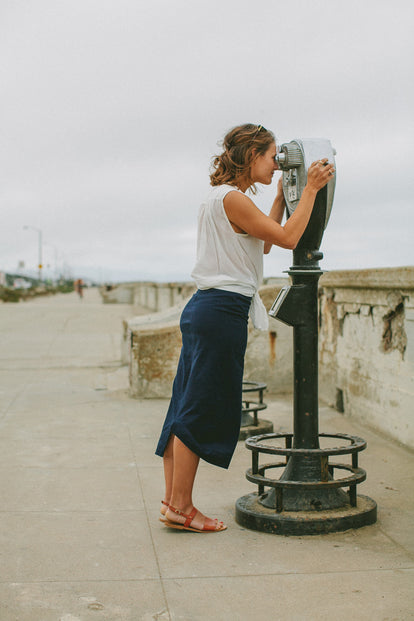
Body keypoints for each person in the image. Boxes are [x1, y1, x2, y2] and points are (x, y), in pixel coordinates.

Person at [155, 123, 335, 533]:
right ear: (252, 155)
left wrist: (277, 198)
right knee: (200, 408)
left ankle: (172, 502)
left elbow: (265, 242)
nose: (277, 165)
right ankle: (182, 507)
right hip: (221, 311)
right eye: (273, 157)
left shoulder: (222, 199)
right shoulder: (233, 199)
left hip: (207, 308)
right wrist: (307, 190)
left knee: (185, 405)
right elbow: (290, 239)